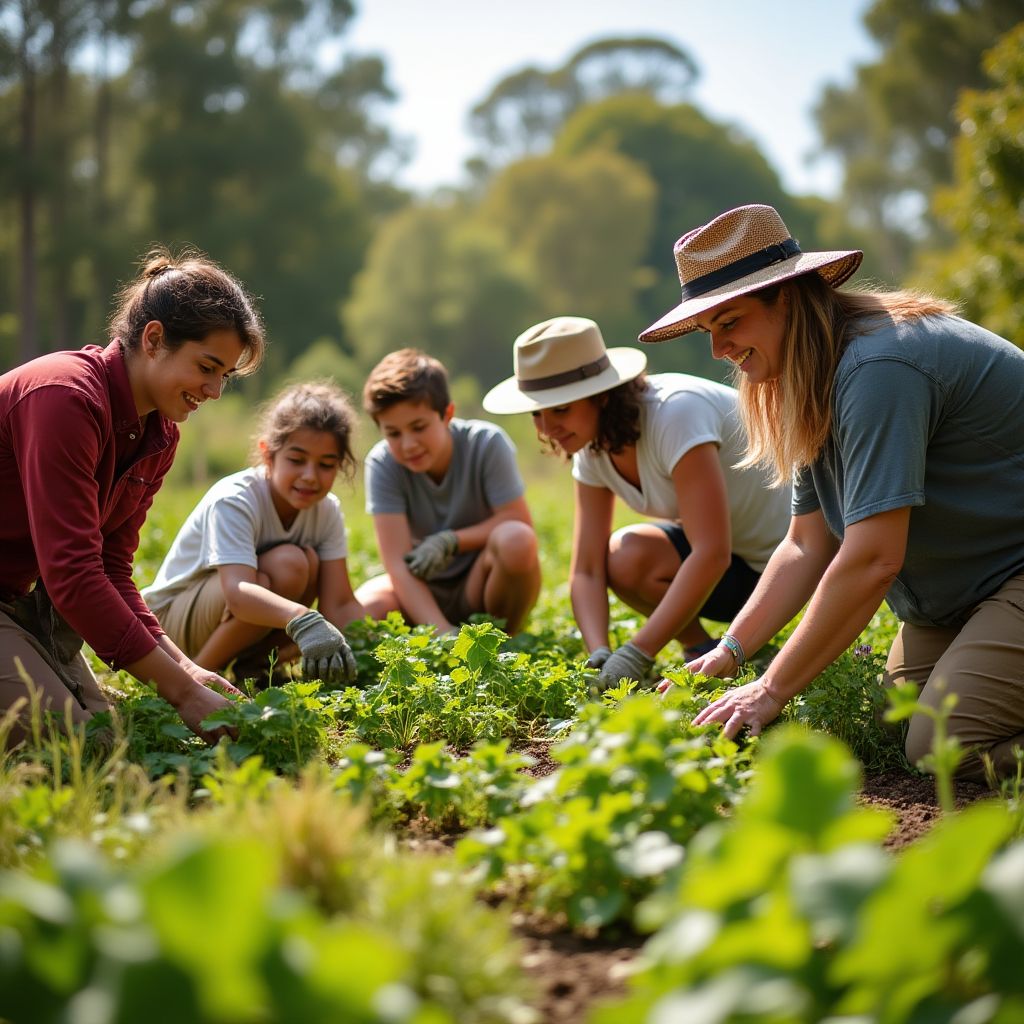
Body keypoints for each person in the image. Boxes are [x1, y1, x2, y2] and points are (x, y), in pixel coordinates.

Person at [640, 203, 1024, 783]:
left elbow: (872, 558)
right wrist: (730, 651)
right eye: (707, 331)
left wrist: (768, 691)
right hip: (970, 589)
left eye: (729, 322)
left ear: (787, 297)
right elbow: (805, 544)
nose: (719, 350)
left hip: (1013, 571)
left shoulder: (879, 367)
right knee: (894, 722)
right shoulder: (814, 375)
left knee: (943, 746)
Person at [0, 248, 265, 746]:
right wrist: (183, 694)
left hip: (17, 600)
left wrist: (187, 670)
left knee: (113, 733)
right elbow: (73, 573)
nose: (213, 391)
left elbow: (111, 567)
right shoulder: (64, 397)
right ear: (155, 338)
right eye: (206, 367)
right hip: (22, 596)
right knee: (82, 747)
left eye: (223, 376)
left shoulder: (159, 435)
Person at [483, 316, 790, 689]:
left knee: (632, 554)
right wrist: (598, 651)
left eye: (560, 409)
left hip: (789, 566)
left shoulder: (676, 413)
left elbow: (711, 552)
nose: (547, 428)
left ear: (603, 395)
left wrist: (636, 653)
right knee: (625, 556)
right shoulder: (592, 446)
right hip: (729, 574)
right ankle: (702, 650)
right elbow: (587, 569)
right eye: (537, 413)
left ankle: (738, 648)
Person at [142, 381, 364, 687]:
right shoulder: (236, 498)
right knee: (291, 564)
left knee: (308, 563)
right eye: (296, 460)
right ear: (268, 454)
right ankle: (193, 679)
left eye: (326, 465)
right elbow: (239, 592)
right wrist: (303, 618)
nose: (310, 476)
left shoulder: (326, 511)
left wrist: (375, 650)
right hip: (171, 627)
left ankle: (254, 670)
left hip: (232, 620)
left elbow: (338, 603)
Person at [356, 348, 541, 635]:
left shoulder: (487, 443)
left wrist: (451, 541)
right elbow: (396, 563)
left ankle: (504, 640)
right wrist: (441, 632)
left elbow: (516, 520)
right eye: (393, 433)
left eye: (419, 427)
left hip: (480, 582)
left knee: (516, 540)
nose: (408, 445)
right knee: (364, 610)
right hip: (422, 586)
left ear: (447, 414)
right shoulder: (383, 463)